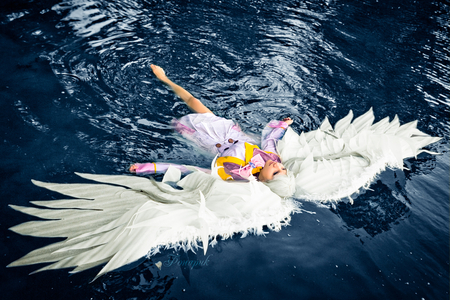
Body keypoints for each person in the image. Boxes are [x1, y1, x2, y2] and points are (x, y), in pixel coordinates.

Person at [130, 64, 296, 198]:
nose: (278, 166)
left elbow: (190, 170)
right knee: (193, 100)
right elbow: (270, 141)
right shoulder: (272, 157)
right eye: (283, 169)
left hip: (207, 140)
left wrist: (148, 167)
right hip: (227, 132)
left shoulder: (234, 176)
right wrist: (283, 125)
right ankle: (164, 78)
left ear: (265, 183)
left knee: (172, 123)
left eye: (276, 172)